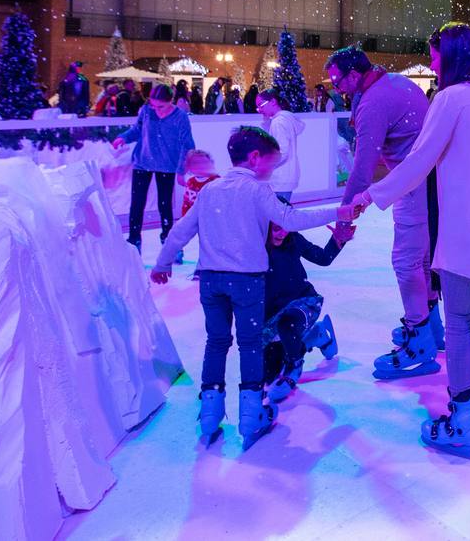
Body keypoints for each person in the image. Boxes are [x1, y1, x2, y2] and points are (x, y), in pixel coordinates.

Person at [349, 22, 470, 457]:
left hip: (465, 234)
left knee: (458, 322)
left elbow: (420, 160)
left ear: (450, 57)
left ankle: (464, 420)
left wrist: (372, 194)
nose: (433, 66)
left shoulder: (450, 99)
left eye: (435, 57)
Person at [151, 126, 358, 448]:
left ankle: (210, 412)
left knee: (216, 342)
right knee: (249, 345)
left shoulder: (210, 191)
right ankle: (251, 415)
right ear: (255, 158)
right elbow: (291, 219)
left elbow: (181, 231)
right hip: (247, 281)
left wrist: (163, 263)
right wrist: (338, 211)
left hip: (211, 281)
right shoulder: (257, 191)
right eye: (272, 165)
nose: (272, 173)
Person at [326, 46, 441, 381]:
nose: (336, 87)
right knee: (421, 260)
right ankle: (431, 328)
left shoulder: (373, 102)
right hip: (430, 180)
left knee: (406, 262)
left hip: (411, 184)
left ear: (354, 74)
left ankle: (420, 341)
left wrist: (344, 215)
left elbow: (362, 169)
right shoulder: (394, 82)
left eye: (337, 80)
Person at [262, 220, 353, 403]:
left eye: (286, 227)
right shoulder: (255, 247)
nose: (282, 233)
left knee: (287, 326)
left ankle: (294, 365)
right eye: (277, 229)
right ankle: (317, 335)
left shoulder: (293, 239)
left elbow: (323, 258)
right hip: (272, 314)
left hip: (303, 303)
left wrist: (338, 240)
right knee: (268, 374)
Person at [113, 84, 195, 254]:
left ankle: (169, 241)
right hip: (143, 162)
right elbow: (137, 130)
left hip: (167, 165)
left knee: (165, 205)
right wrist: (123, 138)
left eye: (161, 106)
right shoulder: (146, 111)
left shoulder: (180, 117)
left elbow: (187, 144)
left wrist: (181, 170)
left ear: (171, 101)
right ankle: (134, 240)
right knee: (137, 204)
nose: (156, 110)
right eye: (153, 105)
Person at [255, 88, 303, 204]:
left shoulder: (278, 122)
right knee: (280, 211)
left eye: (261, 105)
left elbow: (282, 151)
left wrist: (265, 166)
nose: (260, 110)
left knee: (279, 213)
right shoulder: (283, 120)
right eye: (258, 107)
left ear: (273, 102)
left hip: (280, 179)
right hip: (285, 177)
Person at [175, 148, 220, 266]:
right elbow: (187, 201)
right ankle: (177, 252)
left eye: (204, 162)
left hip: (212, 219)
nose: (201, 166)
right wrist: (184, 218)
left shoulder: (216, 181)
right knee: (180, 234)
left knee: (210, 242)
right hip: (195, 218)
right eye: (196, 163)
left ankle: (210, 262)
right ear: (189, 167)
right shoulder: (190, 182)